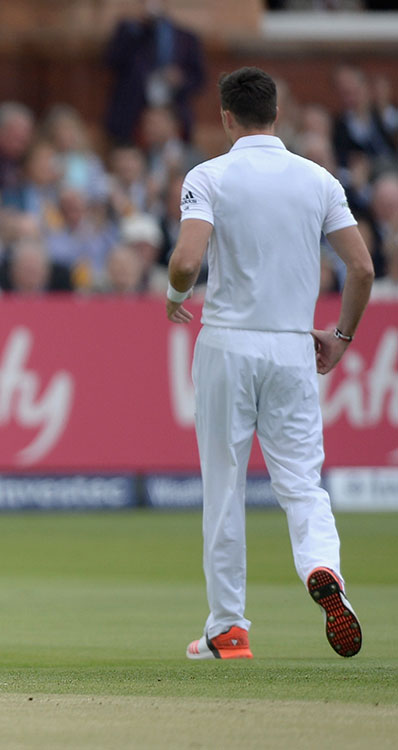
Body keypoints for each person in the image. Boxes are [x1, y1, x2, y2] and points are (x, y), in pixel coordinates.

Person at [166, 67, 373, 661]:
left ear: (227, 117)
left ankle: (229, 627)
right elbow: (361, 269)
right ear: (277, 115)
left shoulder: (210, 175)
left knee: (224, 489)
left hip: (228, 343)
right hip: (291, 346)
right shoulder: (318, 179)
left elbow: (185, 261)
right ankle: (322, 568)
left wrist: (177, 296)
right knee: (302, 484)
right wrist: (340, 336)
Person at [104, 0, 204, 145]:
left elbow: (199, 78)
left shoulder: (186, 37)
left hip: (173, 108)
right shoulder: (130, 31)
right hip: (132, 114)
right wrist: (138, 27)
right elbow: (112, 61)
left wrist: (181, 79)